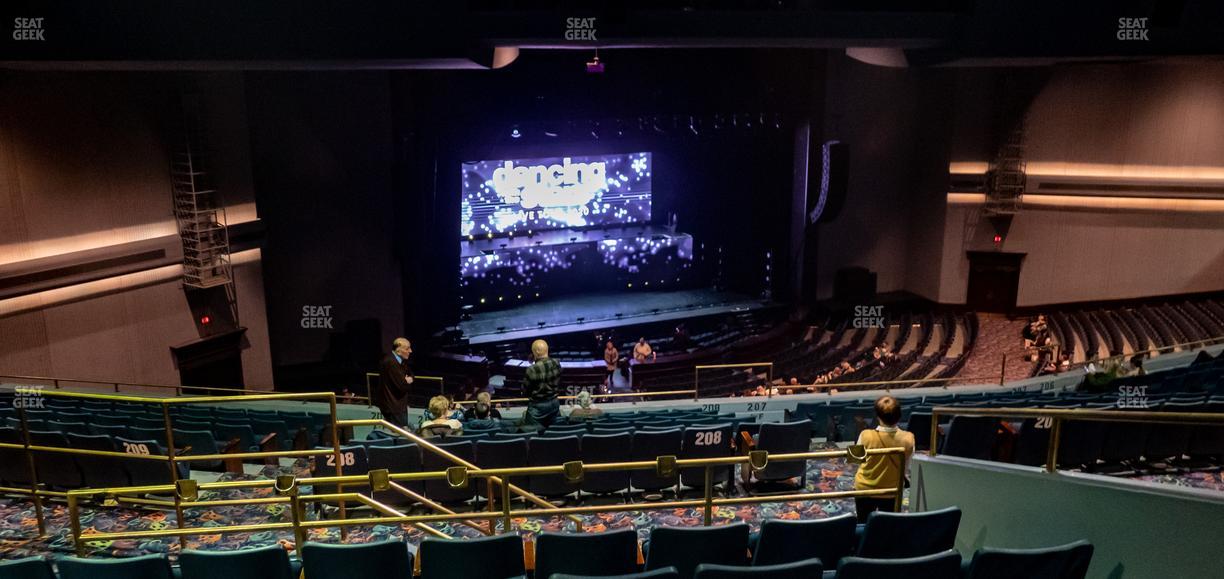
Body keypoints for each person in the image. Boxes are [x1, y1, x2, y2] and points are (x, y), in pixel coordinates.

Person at [853, 395, 915, 523]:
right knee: (889, 525)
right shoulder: (909, 438)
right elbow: (907, 467)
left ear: (877, 416)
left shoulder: (865, 435)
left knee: (863, 523)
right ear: (899, 416)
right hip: (892, 490)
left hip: (864, 489)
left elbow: (854, 460)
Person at [520, 339, 562, 432]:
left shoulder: (531, 369)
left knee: (532, 434)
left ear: (535, 352)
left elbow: (525, 391)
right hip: (554, 403)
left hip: (537, 408)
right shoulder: (556, 363)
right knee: (555, 432)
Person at [373, 338, 414, 427]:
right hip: (394, 407)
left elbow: (411, 375)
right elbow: (403, 386)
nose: (410, 351)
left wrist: (409, 379)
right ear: (398, 350)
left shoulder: (400, 361)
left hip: (396, 406)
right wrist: (407, 381)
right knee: (399, 435)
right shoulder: (391, 362)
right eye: (407, 349)